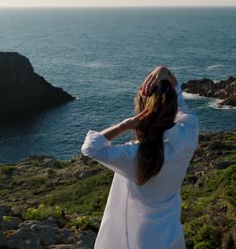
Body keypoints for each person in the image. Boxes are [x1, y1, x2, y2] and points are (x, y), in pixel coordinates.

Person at [81, 66, 199, 249]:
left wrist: (123, 126)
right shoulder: (187, 135)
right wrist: (164, 72)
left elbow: (90, 147)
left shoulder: (134, 154)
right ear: (172, 107)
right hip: (170, 232)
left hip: (135, 238)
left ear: (142, 112)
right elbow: (178, 94)